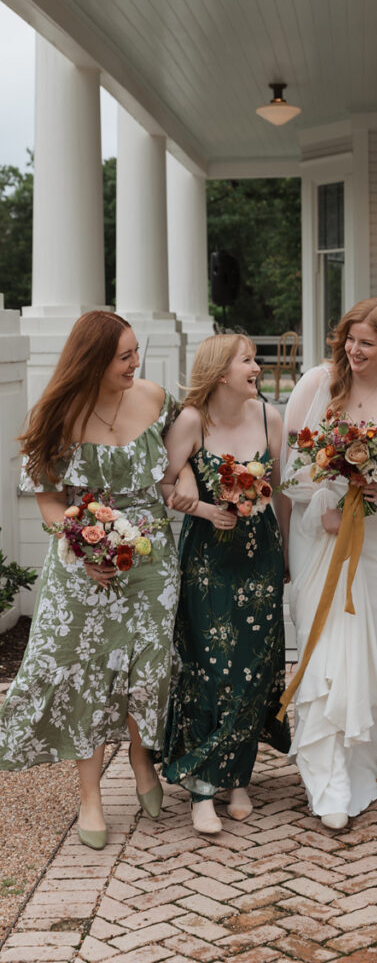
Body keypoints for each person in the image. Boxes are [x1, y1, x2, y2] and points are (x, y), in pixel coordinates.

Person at [0, 311, 183, 850]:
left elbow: (183, 458)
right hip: (83, 566)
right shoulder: (56, 417)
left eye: (134, 351)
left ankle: (140, 756)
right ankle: (91, 797)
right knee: (85, 675)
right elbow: (50, 504)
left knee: (146, 668)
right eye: (124, 356)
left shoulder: (155, 399)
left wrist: (186, 485)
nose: (136, 363)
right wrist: (84, 545)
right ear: (93, 362)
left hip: (150, 562)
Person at [281, 297, 377, 829]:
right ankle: (327, 775)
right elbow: (289, 469)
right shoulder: (318, 384)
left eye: (367, 342)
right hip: (321, 533)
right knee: (325, 647)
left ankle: (362, 767)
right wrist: (328, 494)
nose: (354, 350)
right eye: (350, 338)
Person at [161, 333, 290, 835]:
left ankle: (238, 777)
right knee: (210, 667)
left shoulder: (268, 418)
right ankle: (201, 788)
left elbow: (280, 494)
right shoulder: (193, 421)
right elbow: (164, 484)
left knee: (255, 666)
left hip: (260, 556)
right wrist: (203, 506)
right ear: (220, 373)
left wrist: (287, 558)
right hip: (208, 560)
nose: (256, 367)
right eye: (248, 361)